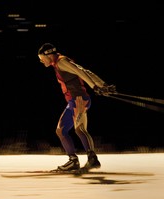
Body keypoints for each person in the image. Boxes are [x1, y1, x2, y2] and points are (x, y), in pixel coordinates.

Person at [38, 43, 116, 171]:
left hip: (77, 101)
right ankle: (91, 159)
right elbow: (85, 71)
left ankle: (75, 161)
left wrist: (95, 86)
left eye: (41, 58)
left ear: (48, 55)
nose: (41, 61)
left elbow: (80, 72)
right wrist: (102, 85)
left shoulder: (61, 62)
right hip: (79, 100)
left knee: (62, 131)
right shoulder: (61, 62)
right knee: (79, 130)